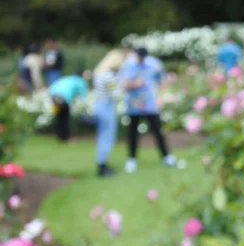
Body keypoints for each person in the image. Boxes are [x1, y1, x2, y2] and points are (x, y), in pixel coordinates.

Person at [119, 48, 176, 173]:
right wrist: (135, 84)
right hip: (134, 104)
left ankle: (167, 157)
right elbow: (123, 85)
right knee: (132, 133)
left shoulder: (153, 63)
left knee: (157, 130)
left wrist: (161, 96)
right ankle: (131, 159)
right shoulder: (128, 64)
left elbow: (162, 79)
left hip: (150, 104)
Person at [93, 49, 126, 177]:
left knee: (103, 135)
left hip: (99, 104)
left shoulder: (98, 73)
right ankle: (102, 165)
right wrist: (121, 83)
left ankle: (102, 163)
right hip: (106, 106)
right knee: (107, 136)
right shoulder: (108, 76)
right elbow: (115, 93)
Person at [48, 71, 91, 142]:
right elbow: (83, 96)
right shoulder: (81, 81)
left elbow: (53, 87)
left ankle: (60, 137)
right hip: (63, 98)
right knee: (65, 117)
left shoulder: (69, 78)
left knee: (59, 117)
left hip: (53, 96)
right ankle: (66, 138)